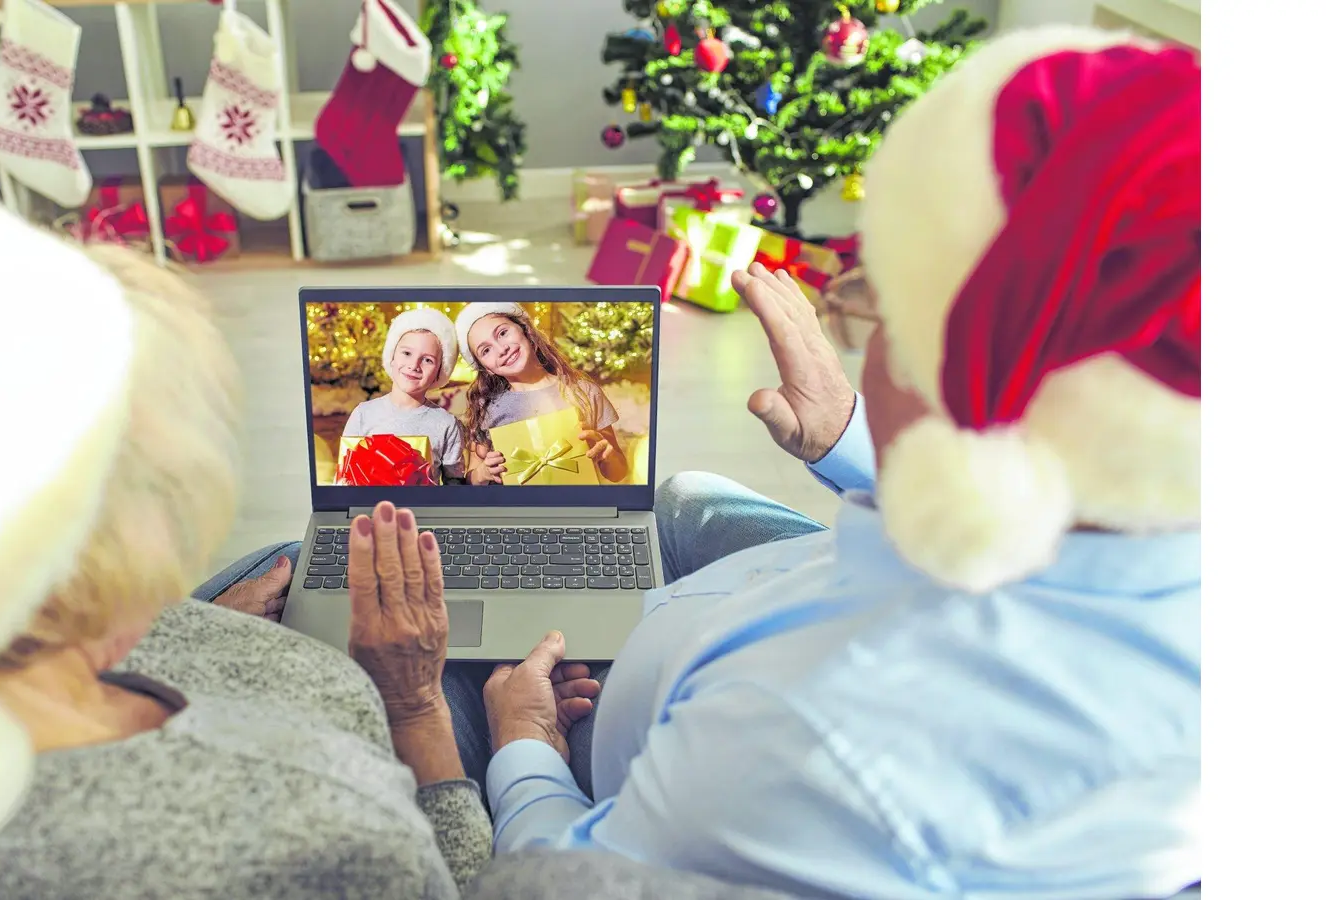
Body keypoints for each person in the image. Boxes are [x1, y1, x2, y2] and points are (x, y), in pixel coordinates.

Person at [470, 27, 1201, 900]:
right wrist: (852, 436)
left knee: (384, 626)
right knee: (684, 497)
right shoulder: (1167, 506)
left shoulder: (808, 742)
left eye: (880, 312)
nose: (865, 341)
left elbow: (553, 877)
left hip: (611, 756)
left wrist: (522, 741)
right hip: (761, 607)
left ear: (973, 386)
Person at [0, 182, 492, 898]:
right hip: (361, 726)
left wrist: (192, 625)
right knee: (476, 673)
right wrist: (416, 708)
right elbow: (460, 885)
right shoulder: (325, 812)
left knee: (285, 559)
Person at [453, 301, 629, 485]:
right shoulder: (488, 409)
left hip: (577, 510)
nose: (502, 349)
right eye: (486, 350)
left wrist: (607, 454)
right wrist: (482, 473)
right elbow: (470, 479)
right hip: (515, 512)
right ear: (485, 368)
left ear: (525, 329)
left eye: (503, 333)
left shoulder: (584, 392)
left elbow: (618, 473)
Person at [338, 307, 466, 485]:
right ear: (392, 356)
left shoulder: (447, 424)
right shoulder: (363, 414)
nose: (414, 365)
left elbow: (455, 484)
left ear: (439, 372)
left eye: (427, 360)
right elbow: (344, 477)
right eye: (406, 353)